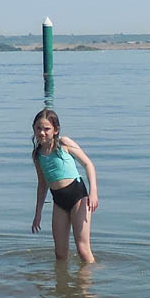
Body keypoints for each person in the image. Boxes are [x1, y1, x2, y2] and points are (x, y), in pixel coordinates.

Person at [31, 109, 98, 263]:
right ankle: (62, 285)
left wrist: (93, 192)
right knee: (60, 254)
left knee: (83, 250)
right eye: (38, 128)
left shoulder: (64, 143)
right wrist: (38, 213)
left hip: (78, 197)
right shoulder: (37, 155)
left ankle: (88, 284)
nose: (42, 133)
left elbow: (88, 164)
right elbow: (42, 185)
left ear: (56, 130)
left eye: (46, 129)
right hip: (59, 201)